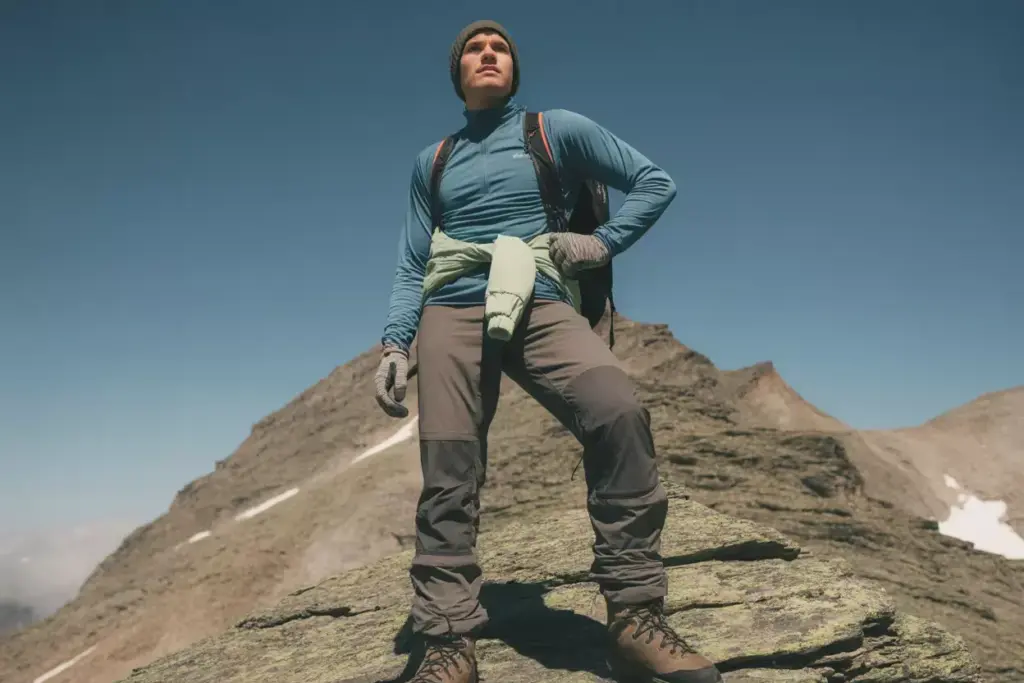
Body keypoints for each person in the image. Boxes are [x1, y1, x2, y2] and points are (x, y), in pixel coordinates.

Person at [374, 19, 723, 683]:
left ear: (513, 70)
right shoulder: (433, 162)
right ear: (457, 76)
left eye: (499, 47)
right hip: (451, 305)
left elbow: (655, 181)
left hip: (539, 296)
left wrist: (603, 242)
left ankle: (634, 617)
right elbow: (411, 259)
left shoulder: (553, 129)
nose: (487, 54)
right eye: (473, 49)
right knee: (449, 465)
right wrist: (396, 341)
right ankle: (449, 641)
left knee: (617, 408)